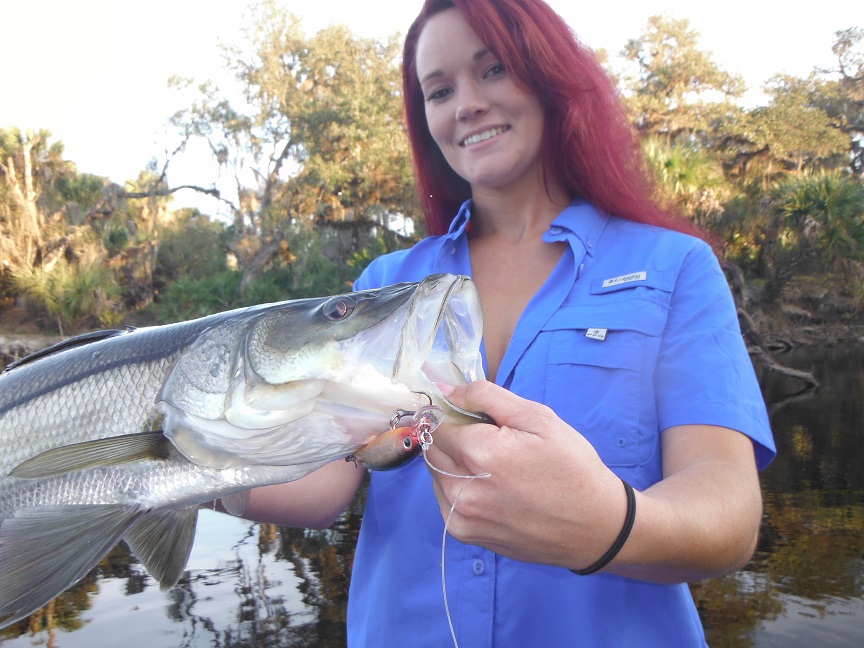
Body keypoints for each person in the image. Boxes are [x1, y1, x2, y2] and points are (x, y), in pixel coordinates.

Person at [237, 0, 776, 645]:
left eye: (492, 70)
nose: (464, 103)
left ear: (548, 75)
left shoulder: (674, 267)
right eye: (438, 90)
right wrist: (159, 476)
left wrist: (609, 524)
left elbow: (730, 513)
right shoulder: (383, 286)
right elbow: (325, 481)